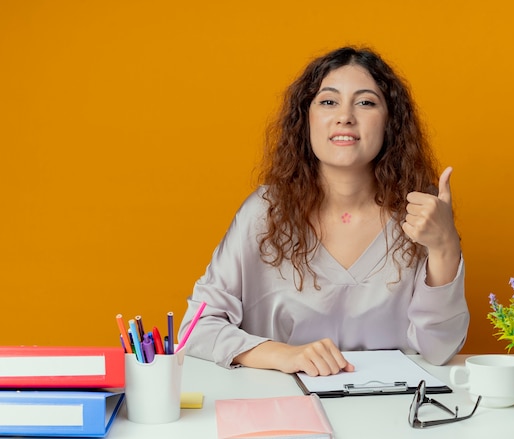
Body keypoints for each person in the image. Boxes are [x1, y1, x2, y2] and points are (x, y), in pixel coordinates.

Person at [178, 46, 469, 377]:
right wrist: (283, 355)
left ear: (390, 123)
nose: (345, 115)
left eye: (366, 102)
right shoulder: (263, 213)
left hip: (393, 415)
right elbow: (196, 329)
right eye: (329, 101)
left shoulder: (422, 215)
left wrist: (445, 246)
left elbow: (440, 350)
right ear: (306, 120)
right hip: (282, 413)